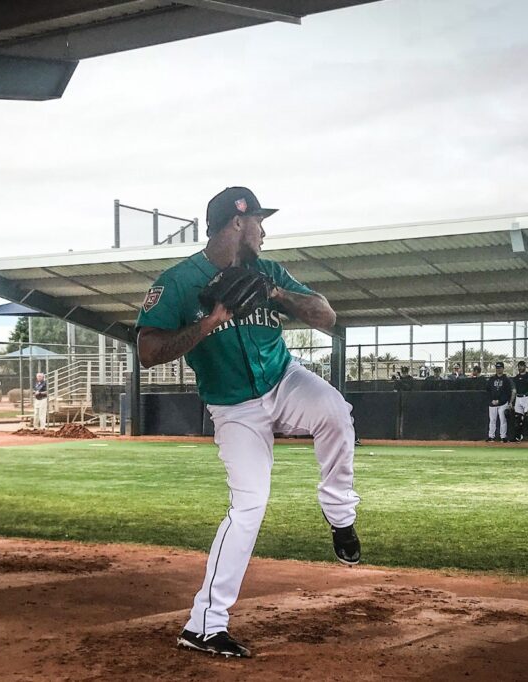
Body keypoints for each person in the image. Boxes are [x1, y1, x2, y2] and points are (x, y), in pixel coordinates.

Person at [136, 187, 360, 659]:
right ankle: (204, 625)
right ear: (237, 223)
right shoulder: (178, 282)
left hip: (284, 379)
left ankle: (340, 515)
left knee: (336, 411)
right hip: (234, 407)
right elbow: (148, 353)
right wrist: (209, 323)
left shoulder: (268, 271)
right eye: (259, 221)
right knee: (249, 507)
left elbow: (327, 316)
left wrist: (277, 293)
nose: (264, 230)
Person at [485, 361, 514, 442]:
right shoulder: (491, 379)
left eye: (500, 368)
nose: (498, 369)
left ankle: (503, 437)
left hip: (503, 403)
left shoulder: (506, 379)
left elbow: (508, 392)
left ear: (503, 369)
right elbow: (488, 391)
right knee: (492, 420)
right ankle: (491, 436)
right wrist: (491, 400)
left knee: (503, 420)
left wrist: (500, 401)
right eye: (497, 368)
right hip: (492, 403)